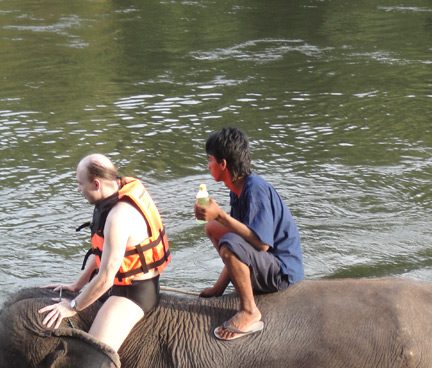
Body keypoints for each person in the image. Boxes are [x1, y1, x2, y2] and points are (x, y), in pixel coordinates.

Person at [39, 154, 171, 352]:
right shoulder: (116, 193)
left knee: (91, 356)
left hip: (133, 293)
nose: (78, 189)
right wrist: (77, 285)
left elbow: (107, 278)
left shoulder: (119, 216)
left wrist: (71, 306)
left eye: (80, 184)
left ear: (97, 184)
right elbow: (104, 253)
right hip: (122, 282)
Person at [194, 127, 303, 340]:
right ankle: (243, 286)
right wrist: (218, 288)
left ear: (223, 164)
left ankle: (250, 311)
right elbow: (241, 238)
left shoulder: (255, 189)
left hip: (282, 273)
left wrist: (221, 215)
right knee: (213, 228)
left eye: (210, 160)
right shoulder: (237, 190)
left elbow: (261, 244)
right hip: (267, 263)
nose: (208, 166)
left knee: (228, 240)